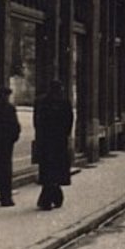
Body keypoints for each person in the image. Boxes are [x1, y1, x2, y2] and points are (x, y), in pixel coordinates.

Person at [33, 80, 74, 210]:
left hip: (46, 142)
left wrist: (39, 136)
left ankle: (49, 199)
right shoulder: (64, 103)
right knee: (55, 171)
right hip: (58, 142)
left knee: (48, 171)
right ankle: (53, 198)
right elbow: (69, 122)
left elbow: (37, 122)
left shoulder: (41, 102)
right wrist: (65, 135)